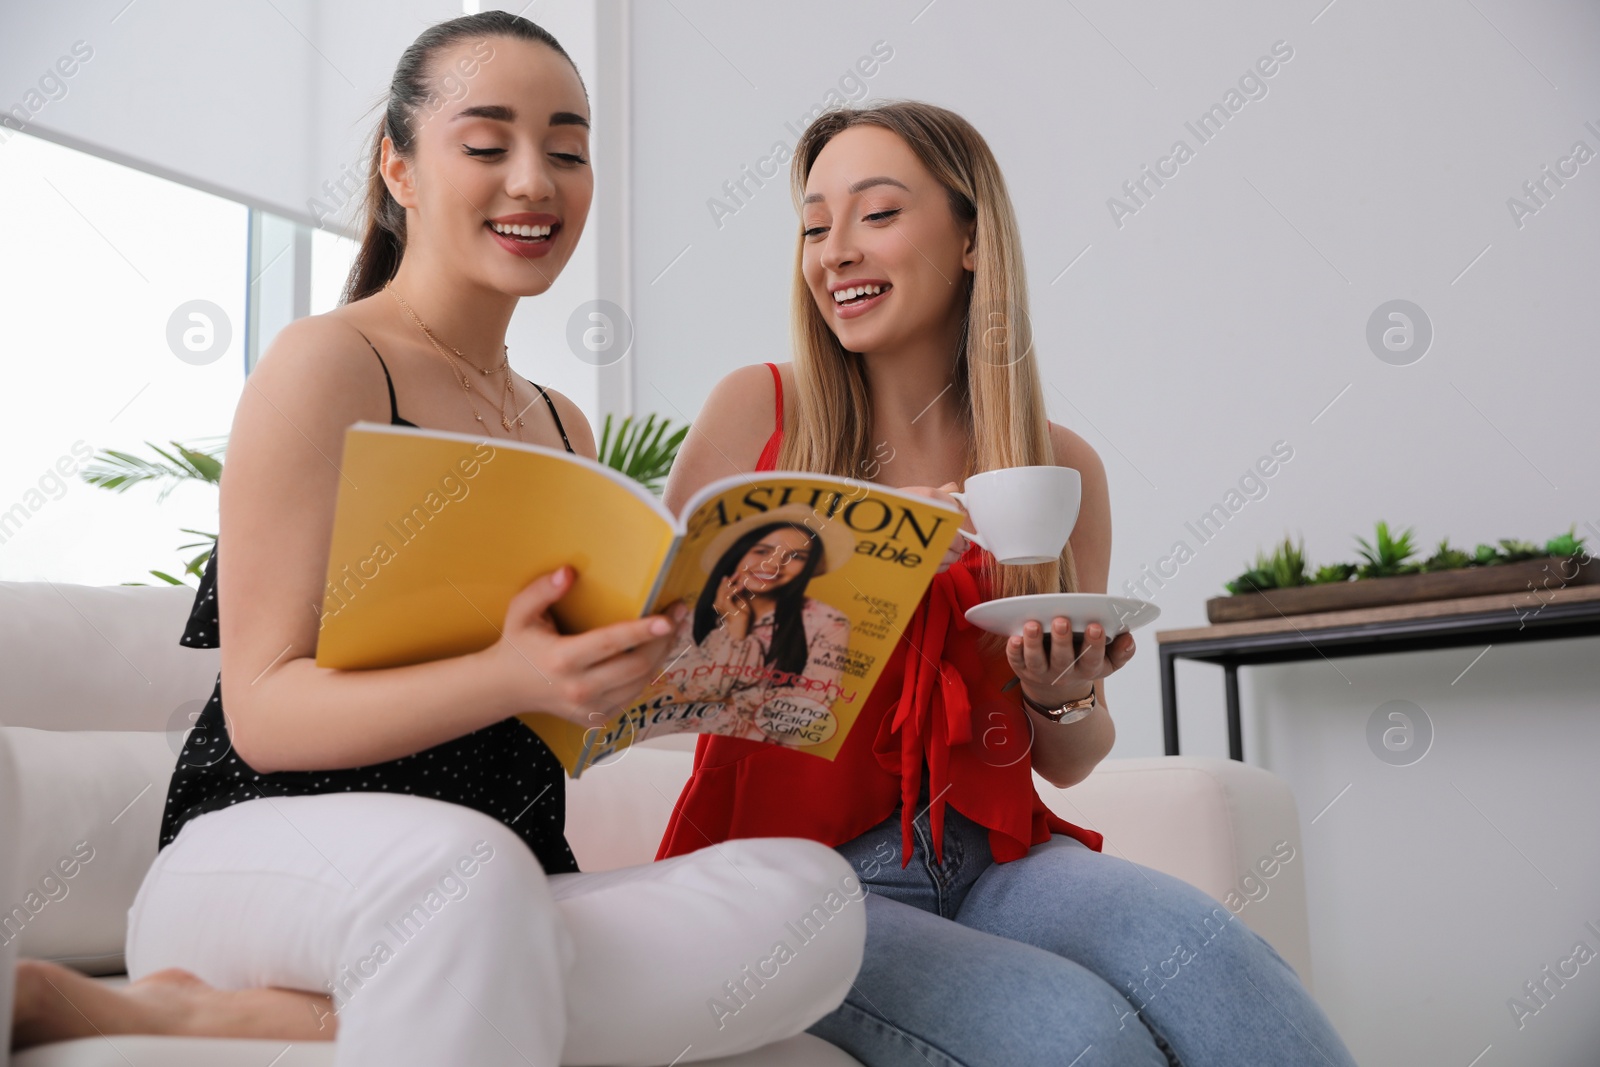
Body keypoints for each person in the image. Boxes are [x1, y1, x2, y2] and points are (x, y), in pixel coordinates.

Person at [8, 14, 863, 1066]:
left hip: (508, 874)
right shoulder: (328, 365)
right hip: (269, 851)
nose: (534, 180)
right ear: (399, 168)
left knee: (810, 895)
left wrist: (645, 683)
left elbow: (553, 711)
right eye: (487, 141)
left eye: (566, 148)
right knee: (465, 876)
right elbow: (266, 712)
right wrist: (508, 671)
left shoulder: (564, 424)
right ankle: (393, 973)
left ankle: (268, 1014)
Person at [657, 100, 1360, 1067]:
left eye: (877, 214)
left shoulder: (1055, 465)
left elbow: (1068, 759)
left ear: (973, 239)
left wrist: (1061, 694)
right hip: (791, 879)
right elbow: (668, 673)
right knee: (1080, 1036)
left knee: (1228, 968)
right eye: (816, 226)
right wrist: (869, 565)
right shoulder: (758, 411)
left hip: (997, 855)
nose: (835, 253)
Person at [660, 507, 851, 742]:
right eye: (762, 551)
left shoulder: (829, 621)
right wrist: (737, 625)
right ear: (738, 553)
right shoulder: (691, 612)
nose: (773, 565)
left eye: (796, 557)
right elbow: (693, 689)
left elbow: (813, 704)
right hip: (710, 746)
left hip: (776, 754)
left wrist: (730, 701)